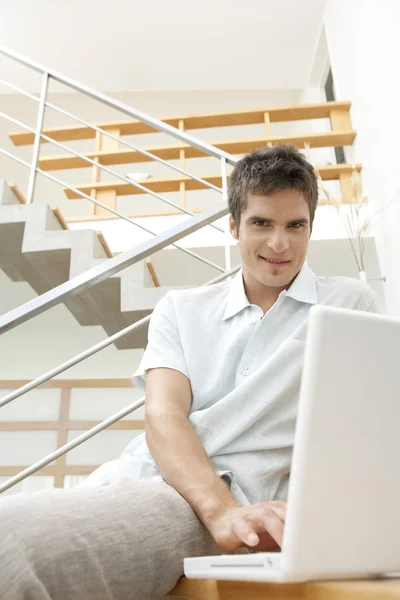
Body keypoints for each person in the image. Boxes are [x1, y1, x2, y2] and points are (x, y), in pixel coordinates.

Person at [0, 145, 380, 600]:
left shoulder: (349, 304)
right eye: (262, 223)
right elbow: (163, 415)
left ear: (310, 228)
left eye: (294, 225)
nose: (279, 243)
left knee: (10, 542)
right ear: (234, 225)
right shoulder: (181, 309)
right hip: (156, 485)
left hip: (225, 505)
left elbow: (366, 437)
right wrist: (221, 513)